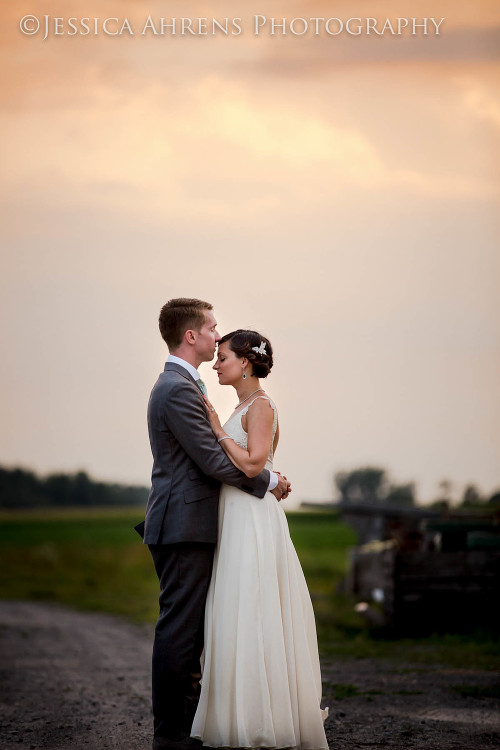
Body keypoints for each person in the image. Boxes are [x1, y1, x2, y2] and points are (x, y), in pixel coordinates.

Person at [136, 299, 291, 750]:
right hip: (183, 524)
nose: (216, 336)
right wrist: (268, 481)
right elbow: (211, 460)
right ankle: (171, 734)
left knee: (190, 629)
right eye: (211, 329)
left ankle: (188, 726)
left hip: (189, 522)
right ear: (191, 336)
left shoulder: (183, 385)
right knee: (181, 631)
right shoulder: (178, 388)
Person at [191, 329, 329, 750]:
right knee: (234, 610)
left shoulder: (262, 405)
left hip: (252, 519)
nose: (216, 365)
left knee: (253, 609)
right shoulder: (243, 406)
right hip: (234, 516)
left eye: (223, 358)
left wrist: (216, 429)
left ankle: (264, 721)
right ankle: (238, 717)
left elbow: (252, 464)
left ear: (246, 363)